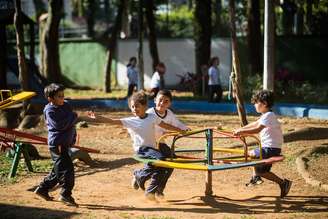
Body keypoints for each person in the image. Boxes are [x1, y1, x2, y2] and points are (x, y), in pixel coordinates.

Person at [86, 91, 184, 202]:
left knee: (162, 165)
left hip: (152, 149)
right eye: (132, 107)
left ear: (145, 106)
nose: (134, 109)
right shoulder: (131, 121)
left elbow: (165, 125)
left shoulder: (152, 117)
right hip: (142, 149)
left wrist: (180, 130)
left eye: (137, 106)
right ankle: (146, 186)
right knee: (161, 160)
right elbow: (113, 121)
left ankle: (145, 183)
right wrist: (98, 118)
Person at [233, 90, 292, 198]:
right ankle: (283, 183)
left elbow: (257, 129)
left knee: (251, 153)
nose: (254, 105)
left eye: (256, 102)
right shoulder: (266, 115)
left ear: (264, 103)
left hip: (269, 149)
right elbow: (254, 124)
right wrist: (240, 129)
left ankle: (256, 177)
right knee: (263, 172)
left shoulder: (269, 115)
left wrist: (241, 132)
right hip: (271, 148)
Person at [34, 83, 78, 206]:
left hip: (65, 143)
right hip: (57, 145)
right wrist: (74, 116)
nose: (62, 98)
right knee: (67, 170)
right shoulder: (50, 110)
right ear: (50, 99)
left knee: (57, 171)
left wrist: (73, 138)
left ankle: (42, 189)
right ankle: (65, 194)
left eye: (63, 95)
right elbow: (60, 125)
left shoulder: (66, 105)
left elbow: (71, 124)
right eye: (59, 96)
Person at [145, 90, 190, 198]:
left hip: (161, 142)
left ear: (169, 104)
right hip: (149, 144)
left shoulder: (169, 114)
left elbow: (177, 123)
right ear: (155, 100)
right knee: (157, 165)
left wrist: (185, 128)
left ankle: (159, 189)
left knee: (171, 160)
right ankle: (144, 183)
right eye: (160, 100)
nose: (162, 103)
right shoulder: (150, 113)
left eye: (166, 101)